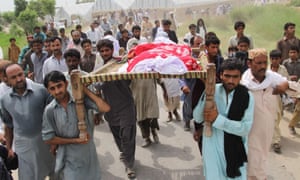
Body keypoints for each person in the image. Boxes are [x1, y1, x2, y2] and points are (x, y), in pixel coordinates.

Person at [193, 58, 254, 179]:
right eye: (227, 76)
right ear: (221, 75)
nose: (231, 80)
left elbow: (245, 129)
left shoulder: (247, 96)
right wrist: (207, 91)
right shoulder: (212, 91)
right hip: (212, 147)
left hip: (235, 150)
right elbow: (197, 118)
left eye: (235, 77)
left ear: (240, 77)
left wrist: (217, 119)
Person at [42, 70, 110, 180]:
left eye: (59, 86)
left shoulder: (80, 100)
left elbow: (105, 108)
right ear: (48, 91)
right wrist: (75, 141)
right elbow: (48, 138)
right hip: (67, 157)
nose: (57, 91)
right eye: (52, 88)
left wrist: (83, 89)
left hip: (88, 155)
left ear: (67, 84)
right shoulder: (50, 110)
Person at [0, 63, 55, 180]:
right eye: (13, 77)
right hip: (23, 144)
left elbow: (53, 117)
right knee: (27, 176)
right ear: (7, 80)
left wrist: (56, 141)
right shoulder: (5, 100)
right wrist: (9, 148)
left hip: (45, 140)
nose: (19, 79)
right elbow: (9, 126)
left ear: (24, 73)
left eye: (20, 75)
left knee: (54, 171)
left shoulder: (41, 91)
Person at [241, 48, 288, 180]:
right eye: (258, 63)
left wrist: (283, 86)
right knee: (252, 155)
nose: (262, 66)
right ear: (249, 63)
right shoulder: (244, 82)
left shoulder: (271, 77)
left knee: (262, 154)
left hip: (267, 125)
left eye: (264, 62)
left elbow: (284, 81)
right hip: (251, 127)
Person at [96, 39, 137, 179]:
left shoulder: (121, 63)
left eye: (107, 50)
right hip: (110, 108)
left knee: (127, 135)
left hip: (126, 106)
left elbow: (130, 77)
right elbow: (96, 88)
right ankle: (125, 154)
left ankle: (129, 165)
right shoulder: (99, 69)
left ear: (112, 50)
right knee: (118, 136)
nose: (105, 53)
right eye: (102, 51)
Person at [269, 49, 289, 153]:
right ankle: (276, 141)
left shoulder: (283, 69)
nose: (275, 61)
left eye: (277, 59)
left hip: (279, 97)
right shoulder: (266, 69)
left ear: (280, 59)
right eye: (273, 59)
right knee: (274, 118)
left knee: (278, 116)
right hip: (267, 98)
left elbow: (286, 82)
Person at [282, 46, 300, 135]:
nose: (292, 54)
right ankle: (292, 124)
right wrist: (289, 78)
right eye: (291, 52)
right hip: (287, 86)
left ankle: (293, 123)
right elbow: (282, 74)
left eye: (294, 52)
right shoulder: (285, 63)